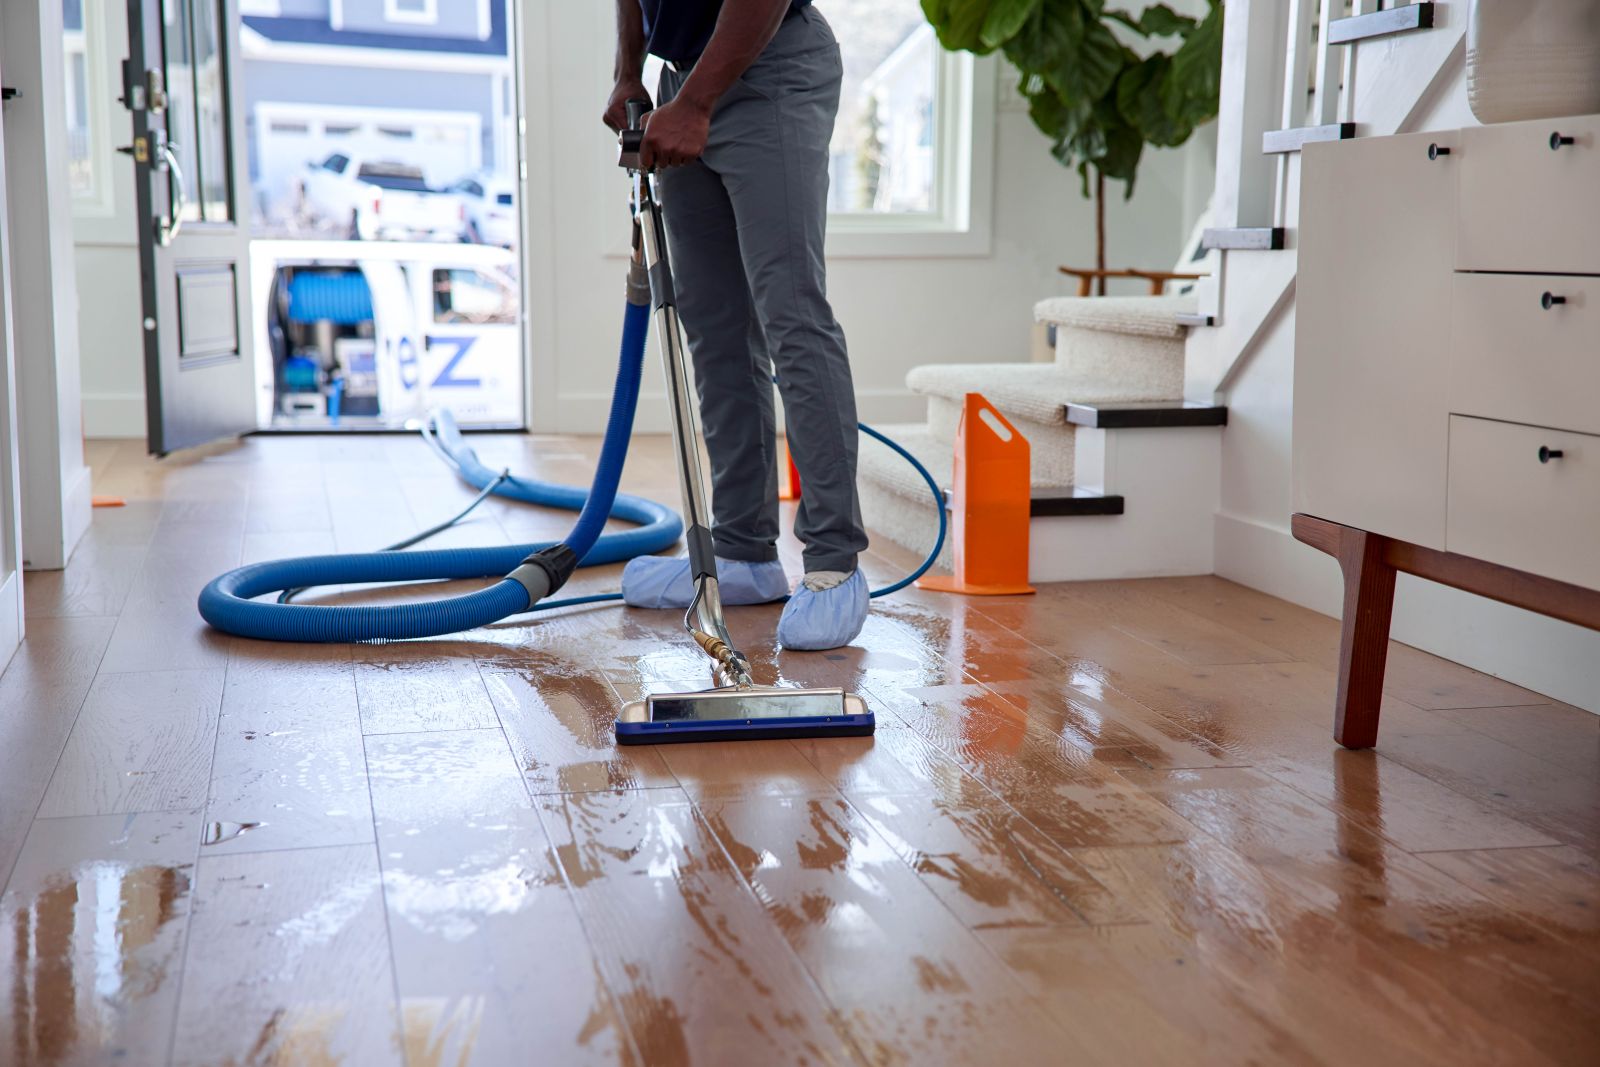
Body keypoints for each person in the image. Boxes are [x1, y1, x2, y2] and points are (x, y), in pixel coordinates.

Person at [605, 0, 870, 651]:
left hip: (769, 63)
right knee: (715, 328)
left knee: (793, 317)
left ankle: (835, 565)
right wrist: (629, 71)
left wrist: (695, 104)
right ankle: (743, 554)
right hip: (681, 81)